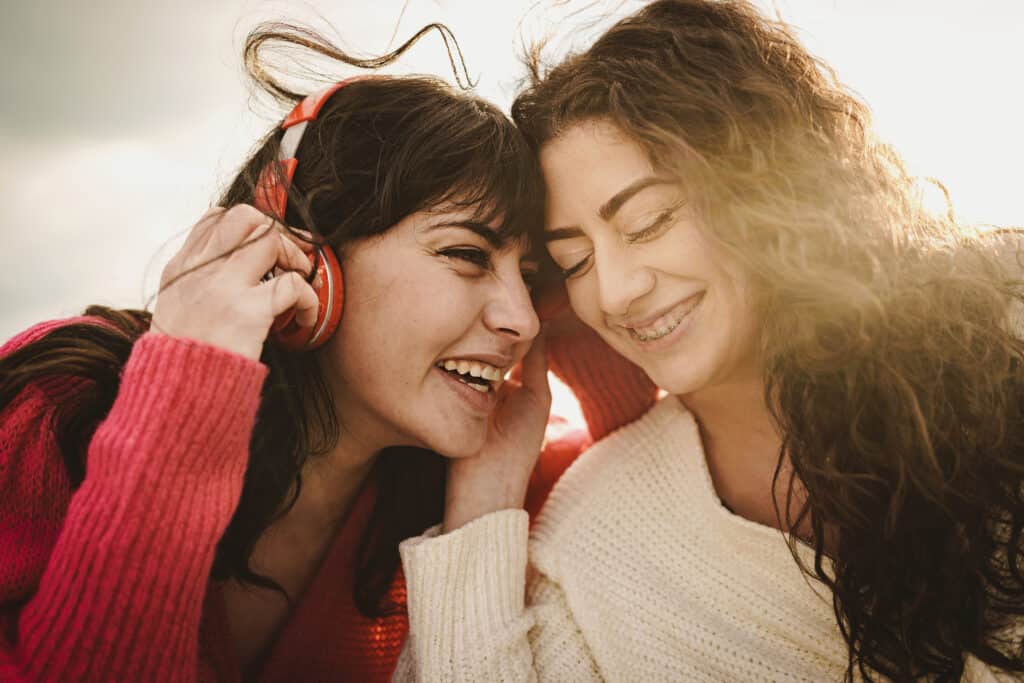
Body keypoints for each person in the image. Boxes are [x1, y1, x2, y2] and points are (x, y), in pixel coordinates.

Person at [0, 22, 657, 683]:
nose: (520, 318)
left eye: (534, 276)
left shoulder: (476, 471)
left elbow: (659, 478)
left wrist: (590, 312)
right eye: (467, 254)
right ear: (309, 258)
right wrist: (181, 407)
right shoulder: (59, 408)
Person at [393, 1, 1024, 681]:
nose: (614, 291)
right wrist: (484, 497)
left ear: (760, 186)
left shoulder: (998, 336)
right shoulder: (596, 531)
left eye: (648, 219)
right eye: (574, 261)